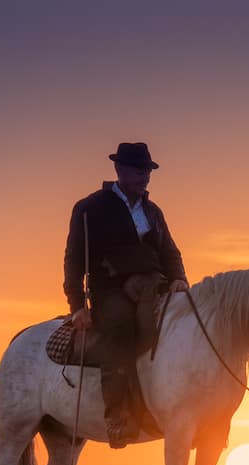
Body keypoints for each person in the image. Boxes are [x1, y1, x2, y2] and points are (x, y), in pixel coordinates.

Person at [62, 142, 189, 448]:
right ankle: (116, 416)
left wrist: (180, 279)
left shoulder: (152, 211)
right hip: (111, 290)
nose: (144, 176)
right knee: (120, 330)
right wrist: (77, 305)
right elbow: (74, 258)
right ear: (119, 170)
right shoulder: (90, 208)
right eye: (137, 169)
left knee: (182, 327)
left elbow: (169, 251)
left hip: (154, 285)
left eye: (147, 170)